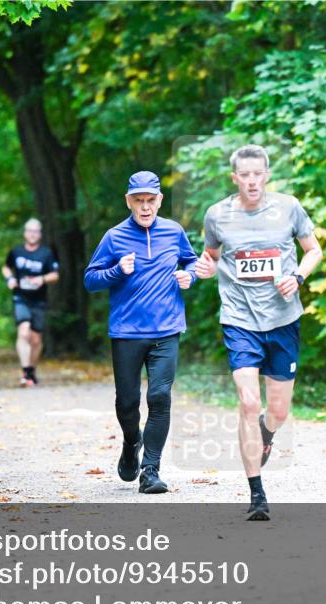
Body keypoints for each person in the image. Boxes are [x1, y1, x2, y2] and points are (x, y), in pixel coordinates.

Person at [194, 144, 323, 521]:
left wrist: (298, 276)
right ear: (235, 178)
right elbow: (212, 258)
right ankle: (257, 494)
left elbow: (314, 250)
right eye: (244, 175)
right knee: (249, 403)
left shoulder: (289, 208)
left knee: (277, 411)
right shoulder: (217, 215)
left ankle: (267, 434)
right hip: (239, 321)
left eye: (257, 174)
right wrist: (205, 268)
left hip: (283, 321)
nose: (251, 181)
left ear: (267, 175)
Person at [84, 171, 198, 494]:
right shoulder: (114, 237)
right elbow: (90, 279)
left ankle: (151, 470)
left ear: (160, 201)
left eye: (151, 200)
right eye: (139, 201)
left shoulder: (174, 232)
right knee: (127, 403)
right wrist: (117, 271)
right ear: (129, 202)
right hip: (127, 332)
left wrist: (190, 276)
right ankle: (131, 441)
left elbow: (191, 263)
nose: (145, 207)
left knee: (160, 397)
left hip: (167, 329)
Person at [2, 218, 60, 387]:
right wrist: (10, 278)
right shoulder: (16, 251)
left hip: (39, 300)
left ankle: (31, 371)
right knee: (23, 331)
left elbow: (55, 275)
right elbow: (6, 267)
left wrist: (41, 279)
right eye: (30, 231)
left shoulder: (46, 253)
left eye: (36, 231)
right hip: (20, 297)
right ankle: (25, 371)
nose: (33, 234)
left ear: (40, 234)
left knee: (35, 339)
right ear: (25, 233)